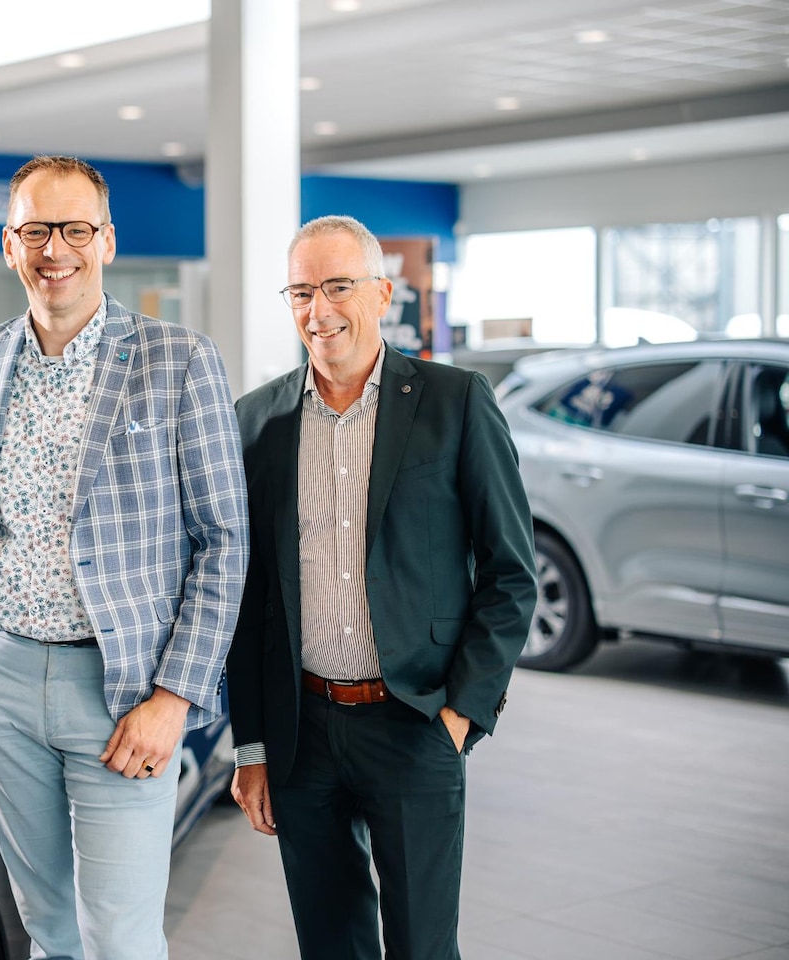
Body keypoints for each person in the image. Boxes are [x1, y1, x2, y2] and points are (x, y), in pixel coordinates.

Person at [0, 155, 248, 960]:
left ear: (106, 241)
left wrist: (173, 698)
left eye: (73, 229)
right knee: (50, 927)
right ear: (9, 244)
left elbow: (224, 539)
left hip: (122, 691)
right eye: (35, 230)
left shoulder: (178, 359)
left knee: (121, 939)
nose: (53, 249)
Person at [227, 215, 536, 960]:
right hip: (301, 733)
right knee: (329, 944)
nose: (318, 310)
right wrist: (252, 746)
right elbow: (248, 596)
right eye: (301, 291)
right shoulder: (256, 419)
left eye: (338, 287)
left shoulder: (455, 400)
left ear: (382, 294)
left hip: (414, 720)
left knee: (423, 946)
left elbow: (509, 571)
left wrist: (461, 711)